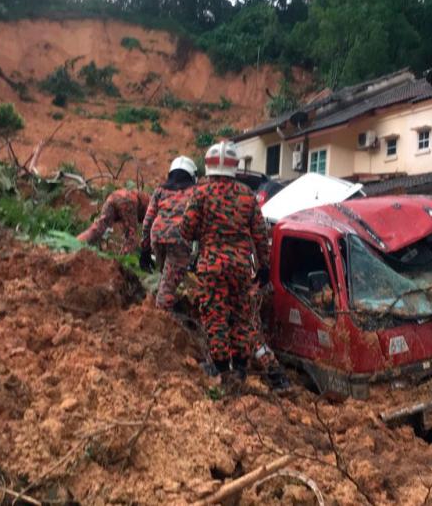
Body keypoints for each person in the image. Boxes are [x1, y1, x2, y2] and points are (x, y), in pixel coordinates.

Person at [180, 141, 290, 392]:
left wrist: (203, 232)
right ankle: (240, 367)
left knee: (215, 316)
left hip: (211, 267)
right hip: (241, 268)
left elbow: (186, 230)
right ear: (234, 166)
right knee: (241, 317)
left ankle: (221, 369)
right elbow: (260, 234)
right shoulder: (246, 195)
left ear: (208, 166)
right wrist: (263, 265)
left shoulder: (201, 193)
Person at [139, 156, 197, 310]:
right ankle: (161, 317)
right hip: (179, 239)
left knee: (166, 276)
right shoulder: (195, 191)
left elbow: (148, 219)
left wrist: (144, 249)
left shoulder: (160, 190)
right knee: (169, 284)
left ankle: (157, 304)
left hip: (157, 237)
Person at [77, 188, 151, 255]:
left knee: (99, 227)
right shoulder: (155, 207)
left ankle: (76, 243)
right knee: (131, 237)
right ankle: (123, 263)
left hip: (114, 197)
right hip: (128, 200)